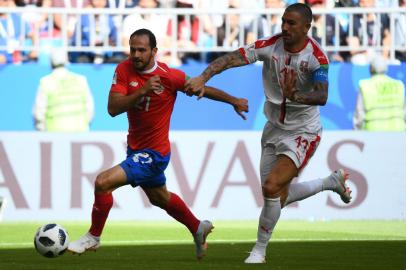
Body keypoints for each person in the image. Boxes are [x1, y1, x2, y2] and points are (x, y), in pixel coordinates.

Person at [185, 3, 352, 264]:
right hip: (273, 127)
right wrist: (203, 77)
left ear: (307, 27)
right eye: (283, 21)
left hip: (303, 131)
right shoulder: (269, 46)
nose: (284, 27)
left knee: (272, 186)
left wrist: (295, 94)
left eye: (291, 23)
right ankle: (329, 183)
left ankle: (259, 250)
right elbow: (230, 58)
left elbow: (322, 95)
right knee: (277, 195)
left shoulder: (317, 58)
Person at [67, 28, 249, 260]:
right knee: (159, 198)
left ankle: (93, 236)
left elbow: (199, 87)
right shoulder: (123, 69)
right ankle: (197, 227)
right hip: (136, 148)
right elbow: (113, 108)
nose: (135, 54)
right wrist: (142, 91)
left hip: (154, 153)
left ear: (154, 51)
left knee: (103, 183)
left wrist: (233, 100)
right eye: (132, 49)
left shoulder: (169, 76)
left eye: (141, 50)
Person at [32, 48, 94, 132]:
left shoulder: (45, 82)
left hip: (54, 135)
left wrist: (43, 133)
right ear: (66, 60)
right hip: (80, 134)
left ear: (50, 63)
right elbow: (90, 109)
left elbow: (38, 113)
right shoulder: (81, 80)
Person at [353, 55, 406, 131]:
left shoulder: (365, 85)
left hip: (373, 133)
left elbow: (359, 115)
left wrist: (357, 132)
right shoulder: (398, 85)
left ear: (371, 69)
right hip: (398, 132)